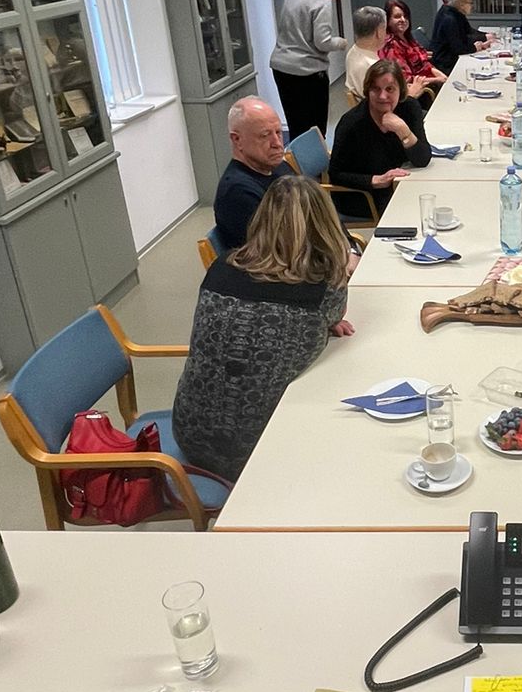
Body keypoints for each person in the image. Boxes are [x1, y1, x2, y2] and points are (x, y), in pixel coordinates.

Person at [173, 175, 355, 484]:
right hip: (257, 450)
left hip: (190, 431)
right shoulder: (323, 286)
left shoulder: (221, 267)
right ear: (326, 226)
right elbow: (334, 315)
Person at [327, 57, 433, 209]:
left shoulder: (409, 108)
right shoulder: (352, 123)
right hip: (363, 195)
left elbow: (422, 159)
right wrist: (376, 180)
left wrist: (403, 130)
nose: (382, 96)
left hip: (398, 186)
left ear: (401, 90)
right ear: (367, 91)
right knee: (415, 208)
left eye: (390, 89)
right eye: (376, 89)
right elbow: (335, 174)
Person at [270, 0, 348, 140]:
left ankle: (298, 157)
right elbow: (322, 42)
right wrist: (340, 43)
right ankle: (313, 159)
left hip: (282, 68)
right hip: (306, 73)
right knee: (315, 130)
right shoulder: (321, 3)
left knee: (296, 125)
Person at [212, 96, 287, 250]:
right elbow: (275, 249)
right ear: (237, 140)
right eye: (265, 135)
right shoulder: (238, 193)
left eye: (278, 132)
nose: (277, 143)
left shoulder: (277, 166)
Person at [380, 0, 446, 98]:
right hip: (417, 93)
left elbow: (425, 64)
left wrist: (441, 76)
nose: (403, 20)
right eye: (397, 17)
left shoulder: (408, 38)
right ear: (388, 20)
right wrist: (437, 80)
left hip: (429, 83)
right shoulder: (391, 45)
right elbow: (406, 79)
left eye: (405, 16)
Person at [430, 0, 488, 75]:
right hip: (446, 65)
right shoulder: (450, 19)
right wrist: (475, 47)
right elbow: (459, 48)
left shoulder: (454, 13)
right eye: (470, 3)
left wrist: (483, 38)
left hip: (450, 59)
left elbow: (466, 34)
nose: (472, 6)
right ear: (461, 4)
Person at [344, 5, 387, 101]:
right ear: (379, 32)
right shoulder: (373, 66)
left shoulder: (352, 52)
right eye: (385, 29)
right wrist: (411, 94)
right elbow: (384, 102)